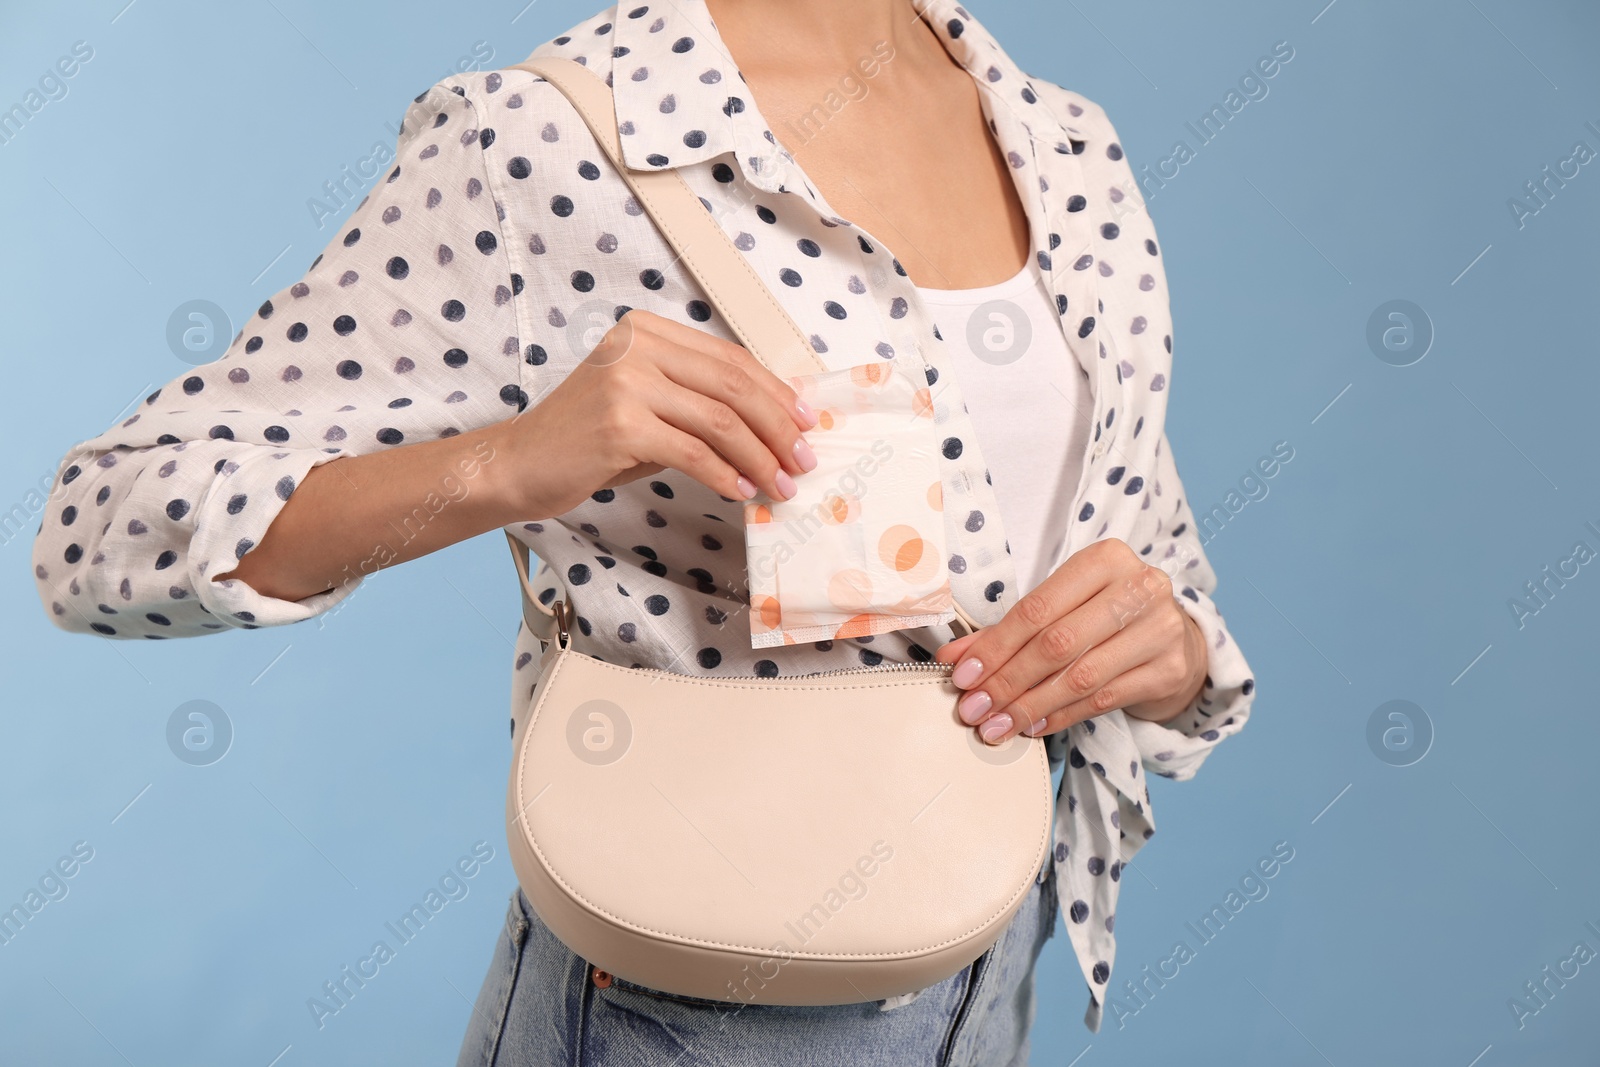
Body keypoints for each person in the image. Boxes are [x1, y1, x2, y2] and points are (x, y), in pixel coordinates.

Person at [30, 0, 1256, 1062]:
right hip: (691, 999)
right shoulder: (543, 144)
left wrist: (1169, 649)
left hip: (1000, 962)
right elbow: (99, 533)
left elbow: (1155, 568)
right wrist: (506, 463)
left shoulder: (1071, 152)